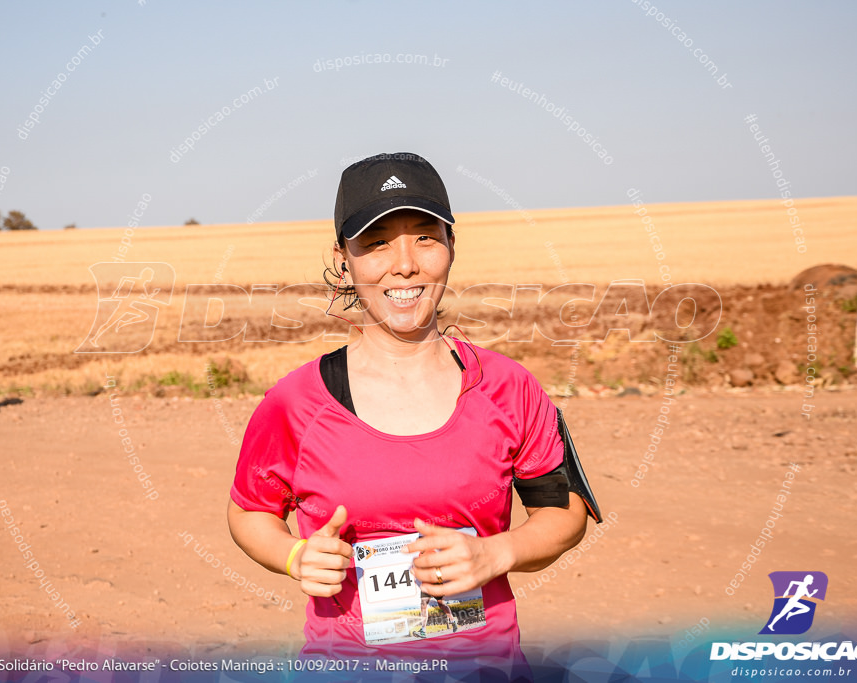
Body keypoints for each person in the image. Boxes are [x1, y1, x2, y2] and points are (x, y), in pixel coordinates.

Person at [228, 153, 592, 680]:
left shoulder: (510, 389)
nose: (404, 264)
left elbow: (565, 514)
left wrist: (496, 553)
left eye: (424, 236)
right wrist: (293, 556)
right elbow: (249, 512)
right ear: (344, 257)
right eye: (376, 243)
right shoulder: (295, 403)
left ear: (450, 245)